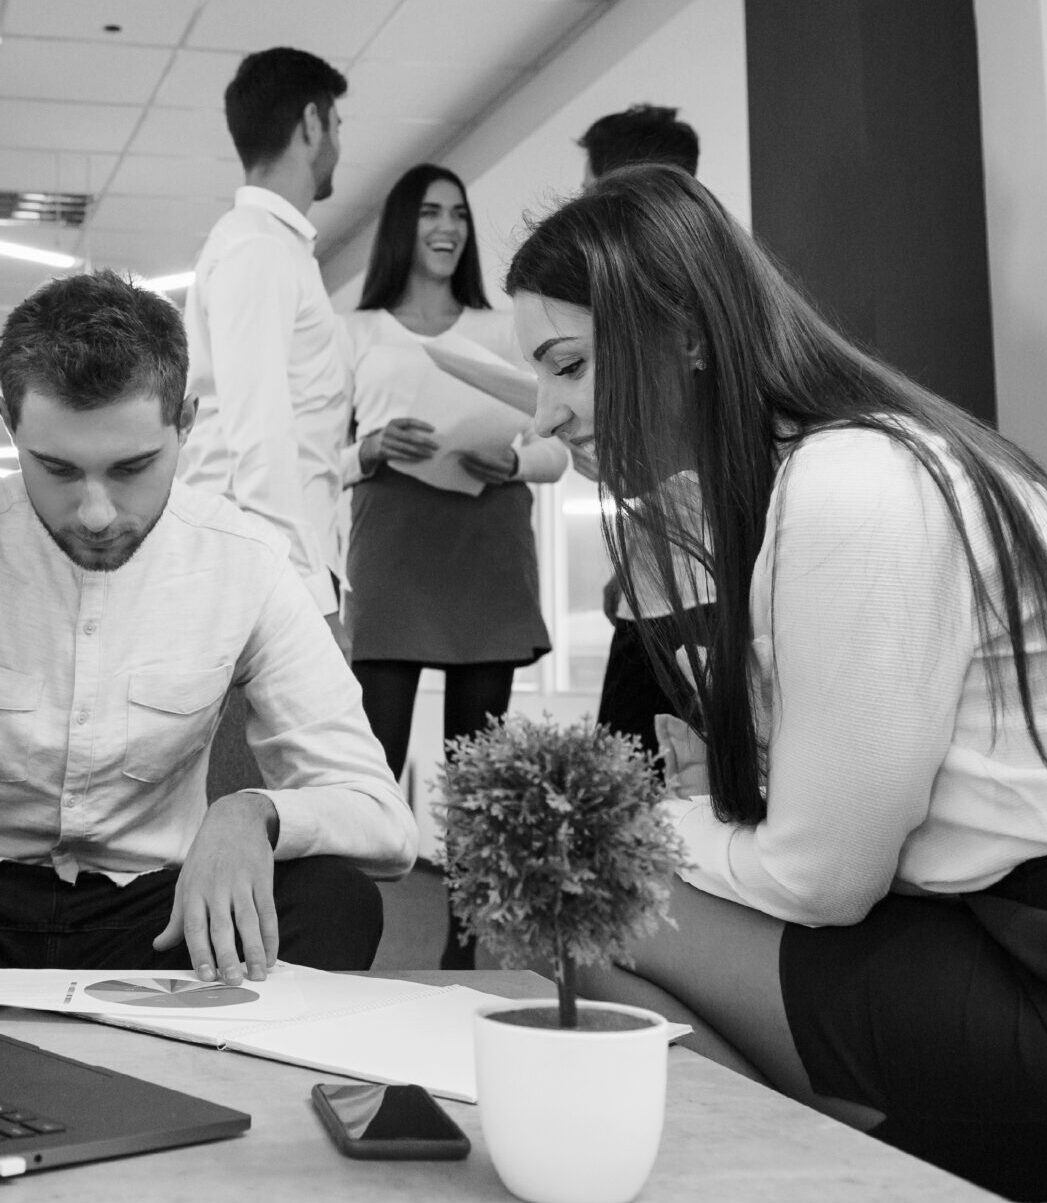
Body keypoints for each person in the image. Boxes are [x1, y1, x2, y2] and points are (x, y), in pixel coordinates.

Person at [504, 164, 1047, 1201]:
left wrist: (659, 821)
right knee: (600, 899)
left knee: (573, 894)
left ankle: (793, 1177)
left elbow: (820, 880)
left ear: (684, 333)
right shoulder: (850, 466)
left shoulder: (853, 484)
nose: (547, 417)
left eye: (567, 366)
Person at [0, 271, 414, 996]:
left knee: (335, 896)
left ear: (186, 423)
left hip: (161, 918)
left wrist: (255, 813)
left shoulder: (249, 564)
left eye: (132, 468)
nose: (97, 512)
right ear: (10, 422)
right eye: (58, 469)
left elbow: (382, 817)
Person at [340, 164, 569, 970]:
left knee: (478, 770)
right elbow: (317, 457)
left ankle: (463, 948)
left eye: (459, 215)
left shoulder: (502, 326)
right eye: (432, 212)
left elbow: (559, 442)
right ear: (403, 224)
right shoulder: (356, 330)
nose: (447, 227)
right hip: (394, 542)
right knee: (371, 757)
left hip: (486, 537)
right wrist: (368, 447)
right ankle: (346, 932)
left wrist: (516, 460)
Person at [178, 47, 356, 627]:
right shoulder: (258, 248)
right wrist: (309, 599)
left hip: (269, 557)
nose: (338, 144)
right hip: (260, 568)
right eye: (336, 125)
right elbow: (260, 435)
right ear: (311, 122)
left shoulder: (272, 247)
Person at [575, 102, 717, 764]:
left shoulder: (676, 297)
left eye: (588, 191)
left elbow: (650, 450)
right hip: (661, 582)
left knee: (630, 792)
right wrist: (630, 562)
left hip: (699, 594)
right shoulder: (677, 283)